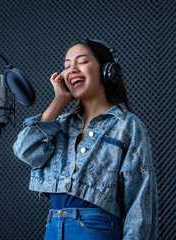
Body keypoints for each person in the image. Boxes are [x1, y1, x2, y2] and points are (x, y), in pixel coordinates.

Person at [13, 39, 158, 239]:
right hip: (53, 228)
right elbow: (25, 150)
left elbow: (139, 202)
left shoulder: (127, 125)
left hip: (96, 230)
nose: (71, 69)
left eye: (81, 62)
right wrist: (59, 101)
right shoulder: (60, 124)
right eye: (66, 66)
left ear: (107, 71)